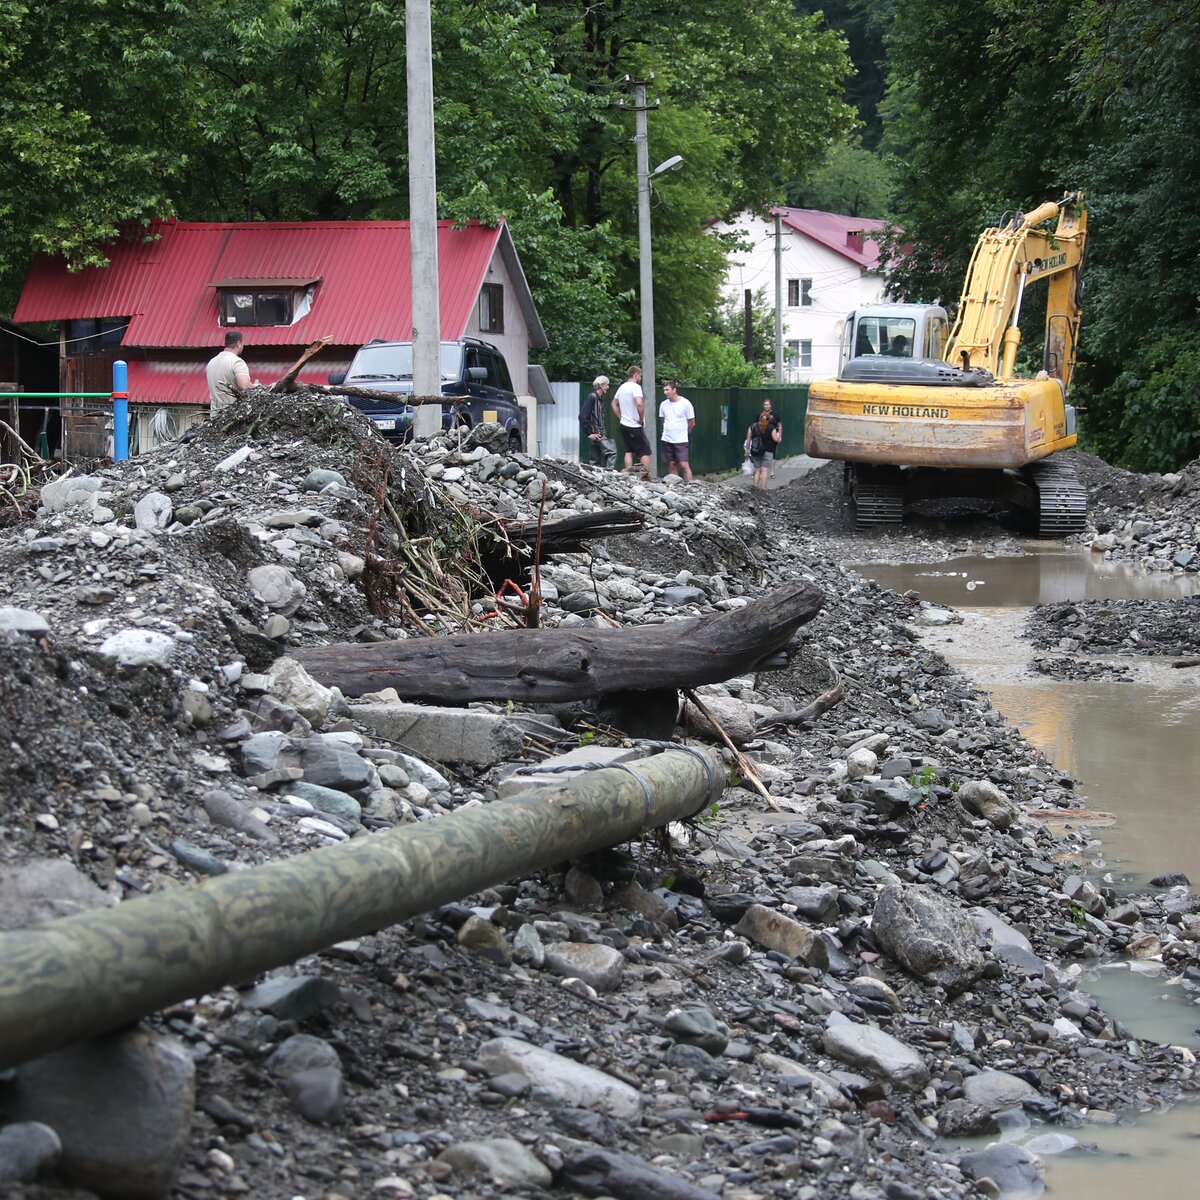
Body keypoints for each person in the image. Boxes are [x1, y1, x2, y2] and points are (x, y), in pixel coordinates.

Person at [611, 364, 651, 476]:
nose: (641, 379)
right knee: (645, 450)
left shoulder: (622, 387)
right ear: (636, 374)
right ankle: (645, 475)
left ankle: (628, 474)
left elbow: (614, 404)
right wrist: (641, 417)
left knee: (629, 450)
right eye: (640, 376)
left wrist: (621, 417)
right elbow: (639, 403)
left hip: (624, 424)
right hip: (634, 424)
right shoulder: (636, 387)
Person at [657, 380, 696, 481]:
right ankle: (675, 487)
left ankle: (690, 486)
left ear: (674, 390)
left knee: (684, 465)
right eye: (664, 390)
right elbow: (663, 420)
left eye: (667, 390)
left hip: (681, 439)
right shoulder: (663, 405)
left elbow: (691, 422)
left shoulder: (685, 403)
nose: (665, 392)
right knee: (671, 464)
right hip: (667, 438)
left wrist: (684, 433)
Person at [206, 331, 252, 415]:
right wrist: (258, 387)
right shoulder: (236, 362)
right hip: (232, 417)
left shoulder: (211, 362)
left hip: (215, 417)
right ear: (238, 343)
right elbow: (244, 386)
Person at [744, 398, 782, 490]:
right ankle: (763, 489)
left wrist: (747, 450)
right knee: (764, 470)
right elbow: (776, 439)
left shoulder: (752, 427)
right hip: (768, 450)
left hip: (755, 450)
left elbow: (748, 439)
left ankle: (755, 488)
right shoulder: (771, 427)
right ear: (769, 419)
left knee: (757, 470)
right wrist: (778, 436)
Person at [580, 375, 616, 467]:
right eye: (607, 385)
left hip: (598, 433)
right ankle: (610, 473)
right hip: (597, 434)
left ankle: (596, 477)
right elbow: (583, 416)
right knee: (611, 452)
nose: (608, 387)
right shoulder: (592, 397)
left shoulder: (599, 399)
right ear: (601, 385)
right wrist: (589, 433)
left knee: (596, 460)